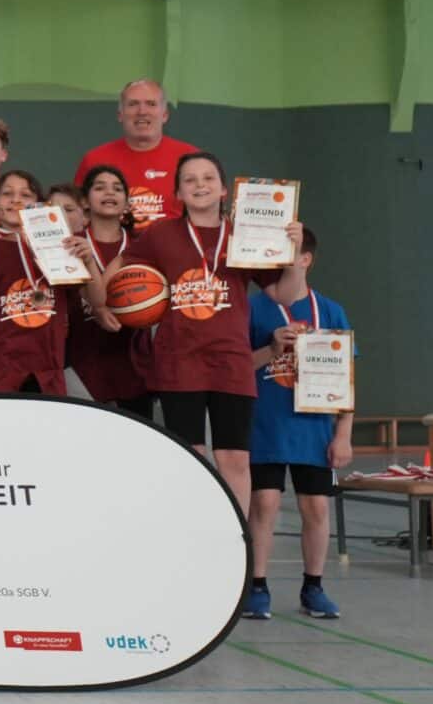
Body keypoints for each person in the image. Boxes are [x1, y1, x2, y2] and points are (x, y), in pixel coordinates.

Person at [90, 151, 298, 513]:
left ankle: (237, 543)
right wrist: (104, 304)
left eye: (208, 178)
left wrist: (292, 255)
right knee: (191, 456)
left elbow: (283, 294)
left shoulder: (245, 235)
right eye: (190, 180)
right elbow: (121, 266)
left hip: (231, 360)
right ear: (178, 194)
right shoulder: (160, 234)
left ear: (223, 191)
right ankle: (197, 530)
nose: (199, 185)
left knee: (234, 457)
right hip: (178, 358)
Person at [246, 226, 351, 620]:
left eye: (287, 251)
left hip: (313, 426)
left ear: (305, 259)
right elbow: (237, 368)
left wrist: (343, 434)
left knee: (316, 508)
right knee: (265, 502)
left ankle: (314, 586)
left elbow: (346, 380)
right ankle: (257, 587)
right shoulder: (252, 308)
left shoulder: (330, 310)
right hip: (264, 422)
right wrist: (271, 347)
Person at [0, 170, 98, 394]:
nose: (16, 199)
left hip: (46, 368)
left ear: (38, 204)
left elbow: (98, 300)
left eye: (25, 195)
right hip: (1, 368)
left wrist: (90, 261)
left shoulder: (60, 244)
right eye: (7, 194)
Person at [69, 165, 149, 417]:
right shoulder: (70, 242)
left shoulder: (143, 245)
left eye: (117, 188)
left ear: (127, 202)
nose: (109, 193)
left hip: (132, 362)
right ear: (85, 201)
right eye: (99, 187)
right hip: (80, 358)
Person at [73, 79, 198, 230]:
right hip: (113, 251)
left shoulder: (193, 159)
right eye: (133, 104)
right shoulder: (94, 160)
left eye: (151, 104)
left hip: (176, 250)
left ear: (165, 115)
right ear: (120, 115)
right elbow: (79, 215)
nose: (142, 112)